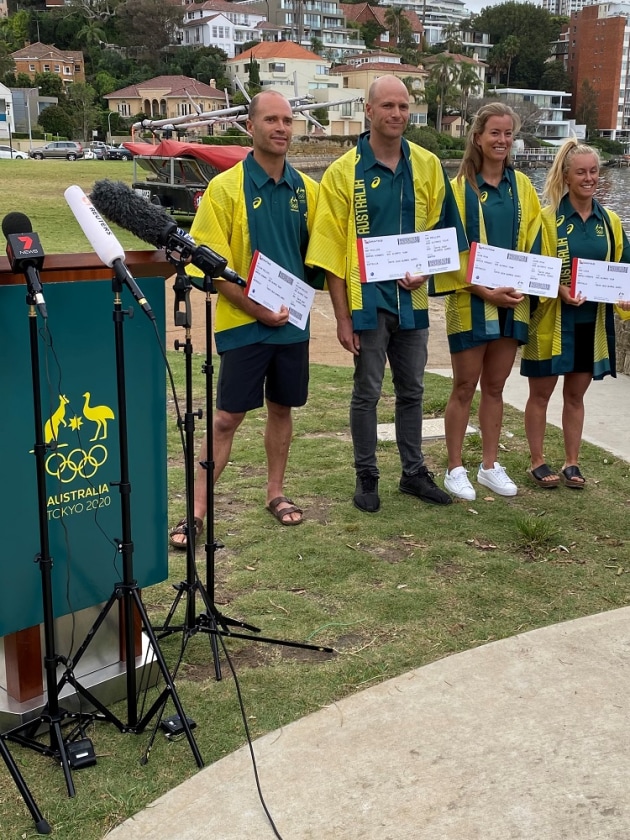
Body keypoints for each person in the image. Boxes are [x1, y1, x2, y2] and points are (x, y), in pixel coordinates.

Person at [306, 75, 467, 513]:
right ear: (369, 111)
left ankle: (413, 472)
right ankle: (367, 474)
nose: (397, 114)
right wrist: (341, 318)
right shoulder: (344, 173)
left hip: (412, 303)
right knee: (368, 391)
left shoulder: (430, 166)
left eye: (403, 106)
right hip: (366, 303)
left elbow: (448, 235)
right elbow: (330, 252)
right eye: (388, 106)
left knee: (412, 390)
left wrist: (426, 270)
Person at [169, 90, 320, 549]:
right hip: (242, 324)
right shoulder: (225, 188)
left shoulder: (308, 191)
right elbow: (207, 263)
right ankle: (195, 512)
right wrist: (255, 308)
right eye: (271, 120)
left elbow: (320, 259)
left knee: (282, 408)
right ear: (250, 127)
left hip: (292, 324)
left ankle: (275, 493)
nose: (281, 128)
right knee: (225, 419)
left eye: (288, 121)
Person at [432, 103, 542, 501]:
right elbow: (447, 250)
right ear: (477, 136)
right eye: (494, 132)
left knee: (496, 387)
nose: (502, 140)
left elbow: (534, 240)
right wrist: (483, 289)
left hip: (513, 300)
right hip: (472, 301)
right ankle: (454, 467)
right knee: (465, 385)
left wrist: (530, 283)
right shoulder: (458, 188)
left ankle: (490, 465)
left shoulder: (523, 188)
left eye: (508, 133)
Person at [522, 138, 630, 489]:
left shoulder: (610, 221)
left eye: (594, 171)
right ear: (566, 177)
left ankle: (572, 462)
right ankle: (537, 461)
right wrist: (559, 290)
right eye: (581, 172)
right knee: (540, 395)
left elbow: (623, 271)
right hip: (550, 323)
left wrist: (624, 299)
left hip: (590, 325)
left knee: (575, 396)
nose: (589, 178)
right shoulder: (548, 219)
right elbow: (533, 271)